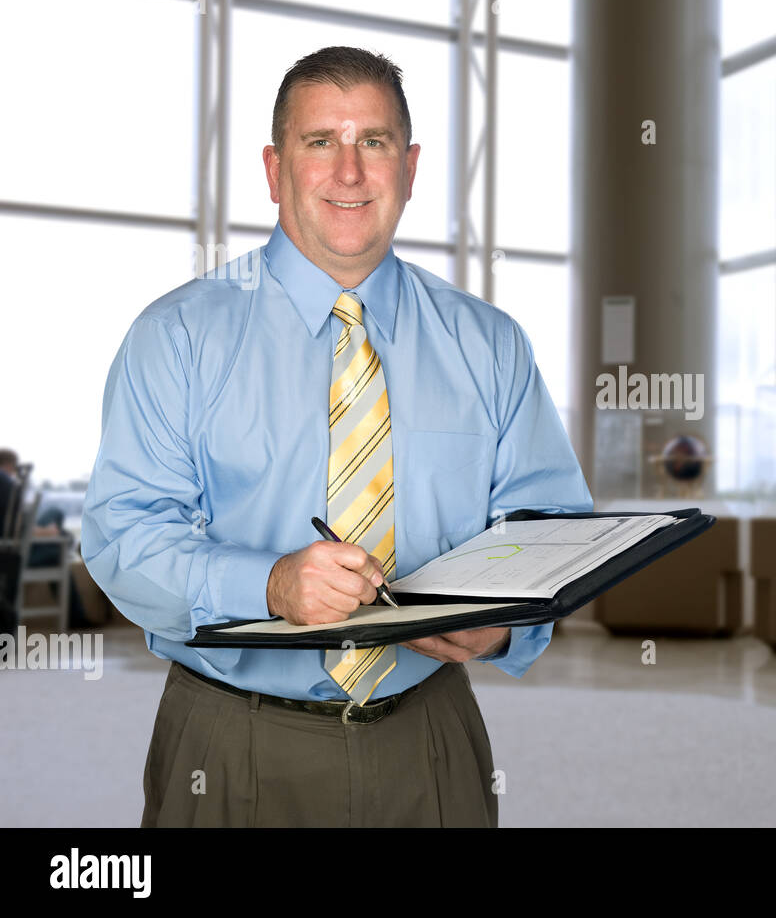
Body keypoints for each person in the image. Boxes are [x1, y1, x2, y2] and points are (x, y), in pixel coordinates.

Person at [81, 46, 592, 827]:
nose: (349, 172)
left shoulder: (491, 344)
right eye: (321, 141)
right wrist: (270, 585)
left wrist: (505, 625)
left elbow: (550, 531)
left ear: (411, 167)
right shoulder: (176, 335)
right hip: (231, 741)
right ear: (274, 167)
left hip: (433, 739)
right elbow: (122, 542)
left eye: (375, 142)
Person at [0, 448, 95, 630]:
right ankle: (66, 543)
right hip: (16, 553)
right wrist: (46, 533)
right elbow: (16, 530)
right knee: (55, 552)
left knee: (54, 514)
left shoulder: (7, 485)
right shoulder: (6, 485)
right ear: (10, 466)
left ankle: (64, 541)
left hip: (17, 546)